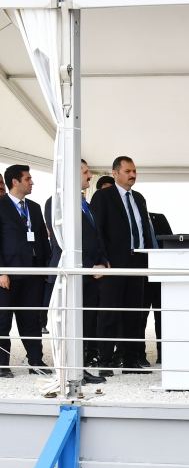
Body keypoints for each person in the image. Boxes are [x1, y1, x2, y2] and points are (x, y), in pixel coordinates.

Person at [89, 156, 155, 376]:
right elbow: (97, 230)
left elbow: (143, 230)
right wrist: (101, 259)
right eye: (127, 171)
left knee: (134, 313)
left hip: (137, 262)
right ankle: (105, 361)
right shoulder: (103, 196)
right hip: (113, 264)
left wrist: (149, 258)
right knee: (110, 313)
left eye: (134, 171)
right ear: (115, 173)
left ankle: (130, 360)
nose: (132, 175)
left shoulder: (139, 198)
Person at [43, 159, 107, 383]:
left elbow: (96, 236)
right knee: (71, 324)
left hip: (91, 276)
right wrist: (90, 267)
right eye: (86, 172)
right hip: (72, 275)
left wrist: (103, 262)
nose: (90, 176)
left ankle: (80, 369)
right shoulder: (56, 202)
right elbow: (62, 242)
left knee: (86, 323)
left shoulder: (84, 203)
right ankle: (69, 371)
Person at [0, 164, 52, 377]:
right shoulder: (1, 206)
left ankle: (36, 361)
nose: (32, 182)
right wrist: (1, 271)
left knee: (32, 320)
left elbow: (43, 240)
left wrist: (47, 269)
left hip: (33, 274)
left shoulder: (35, 207)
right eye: (28, 179)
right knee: (2, 321)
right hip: (7, 275)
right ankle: (2, 365)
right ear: (15, 182)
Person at [141, 209, 172, 366]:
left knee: (163, 317)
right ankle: (139, 355)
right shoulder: (133, 220)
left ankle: (164, 354)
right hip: (141, 274)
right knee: (140, 317)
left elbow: (170, 241)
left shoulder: (159, 218)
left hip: (161, 273)